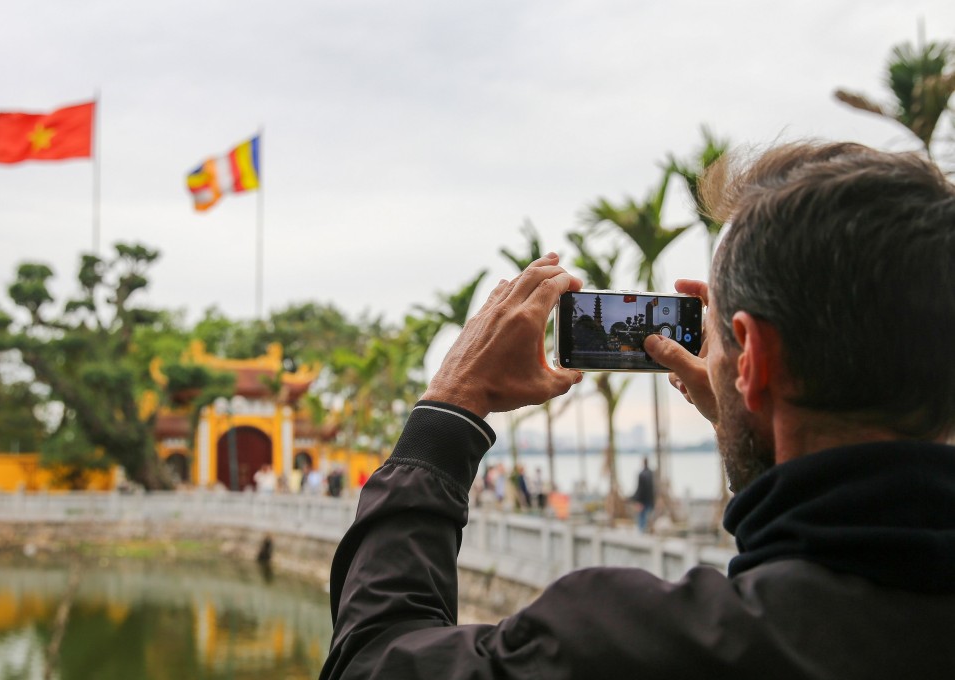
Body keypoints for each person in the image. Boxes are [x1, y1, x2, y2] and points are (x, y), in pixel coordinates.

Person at [319, 143, 955, 679]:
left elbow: (374, 658)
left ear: (752, 359)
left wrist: (448, 411)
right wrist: (753, 419)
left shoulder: (634, 645)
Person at [630, 457, 655, 532]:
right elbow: (653, 488)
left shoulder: (642, 474)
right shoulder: (651, 473)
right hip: (650, 499)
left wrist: (637, 500)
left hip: (643, 500)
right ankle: (645, 529)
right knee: (648, 515)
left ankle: (641, 530)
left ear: (643, 463)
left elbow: (640, 489)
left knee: (642, 516)